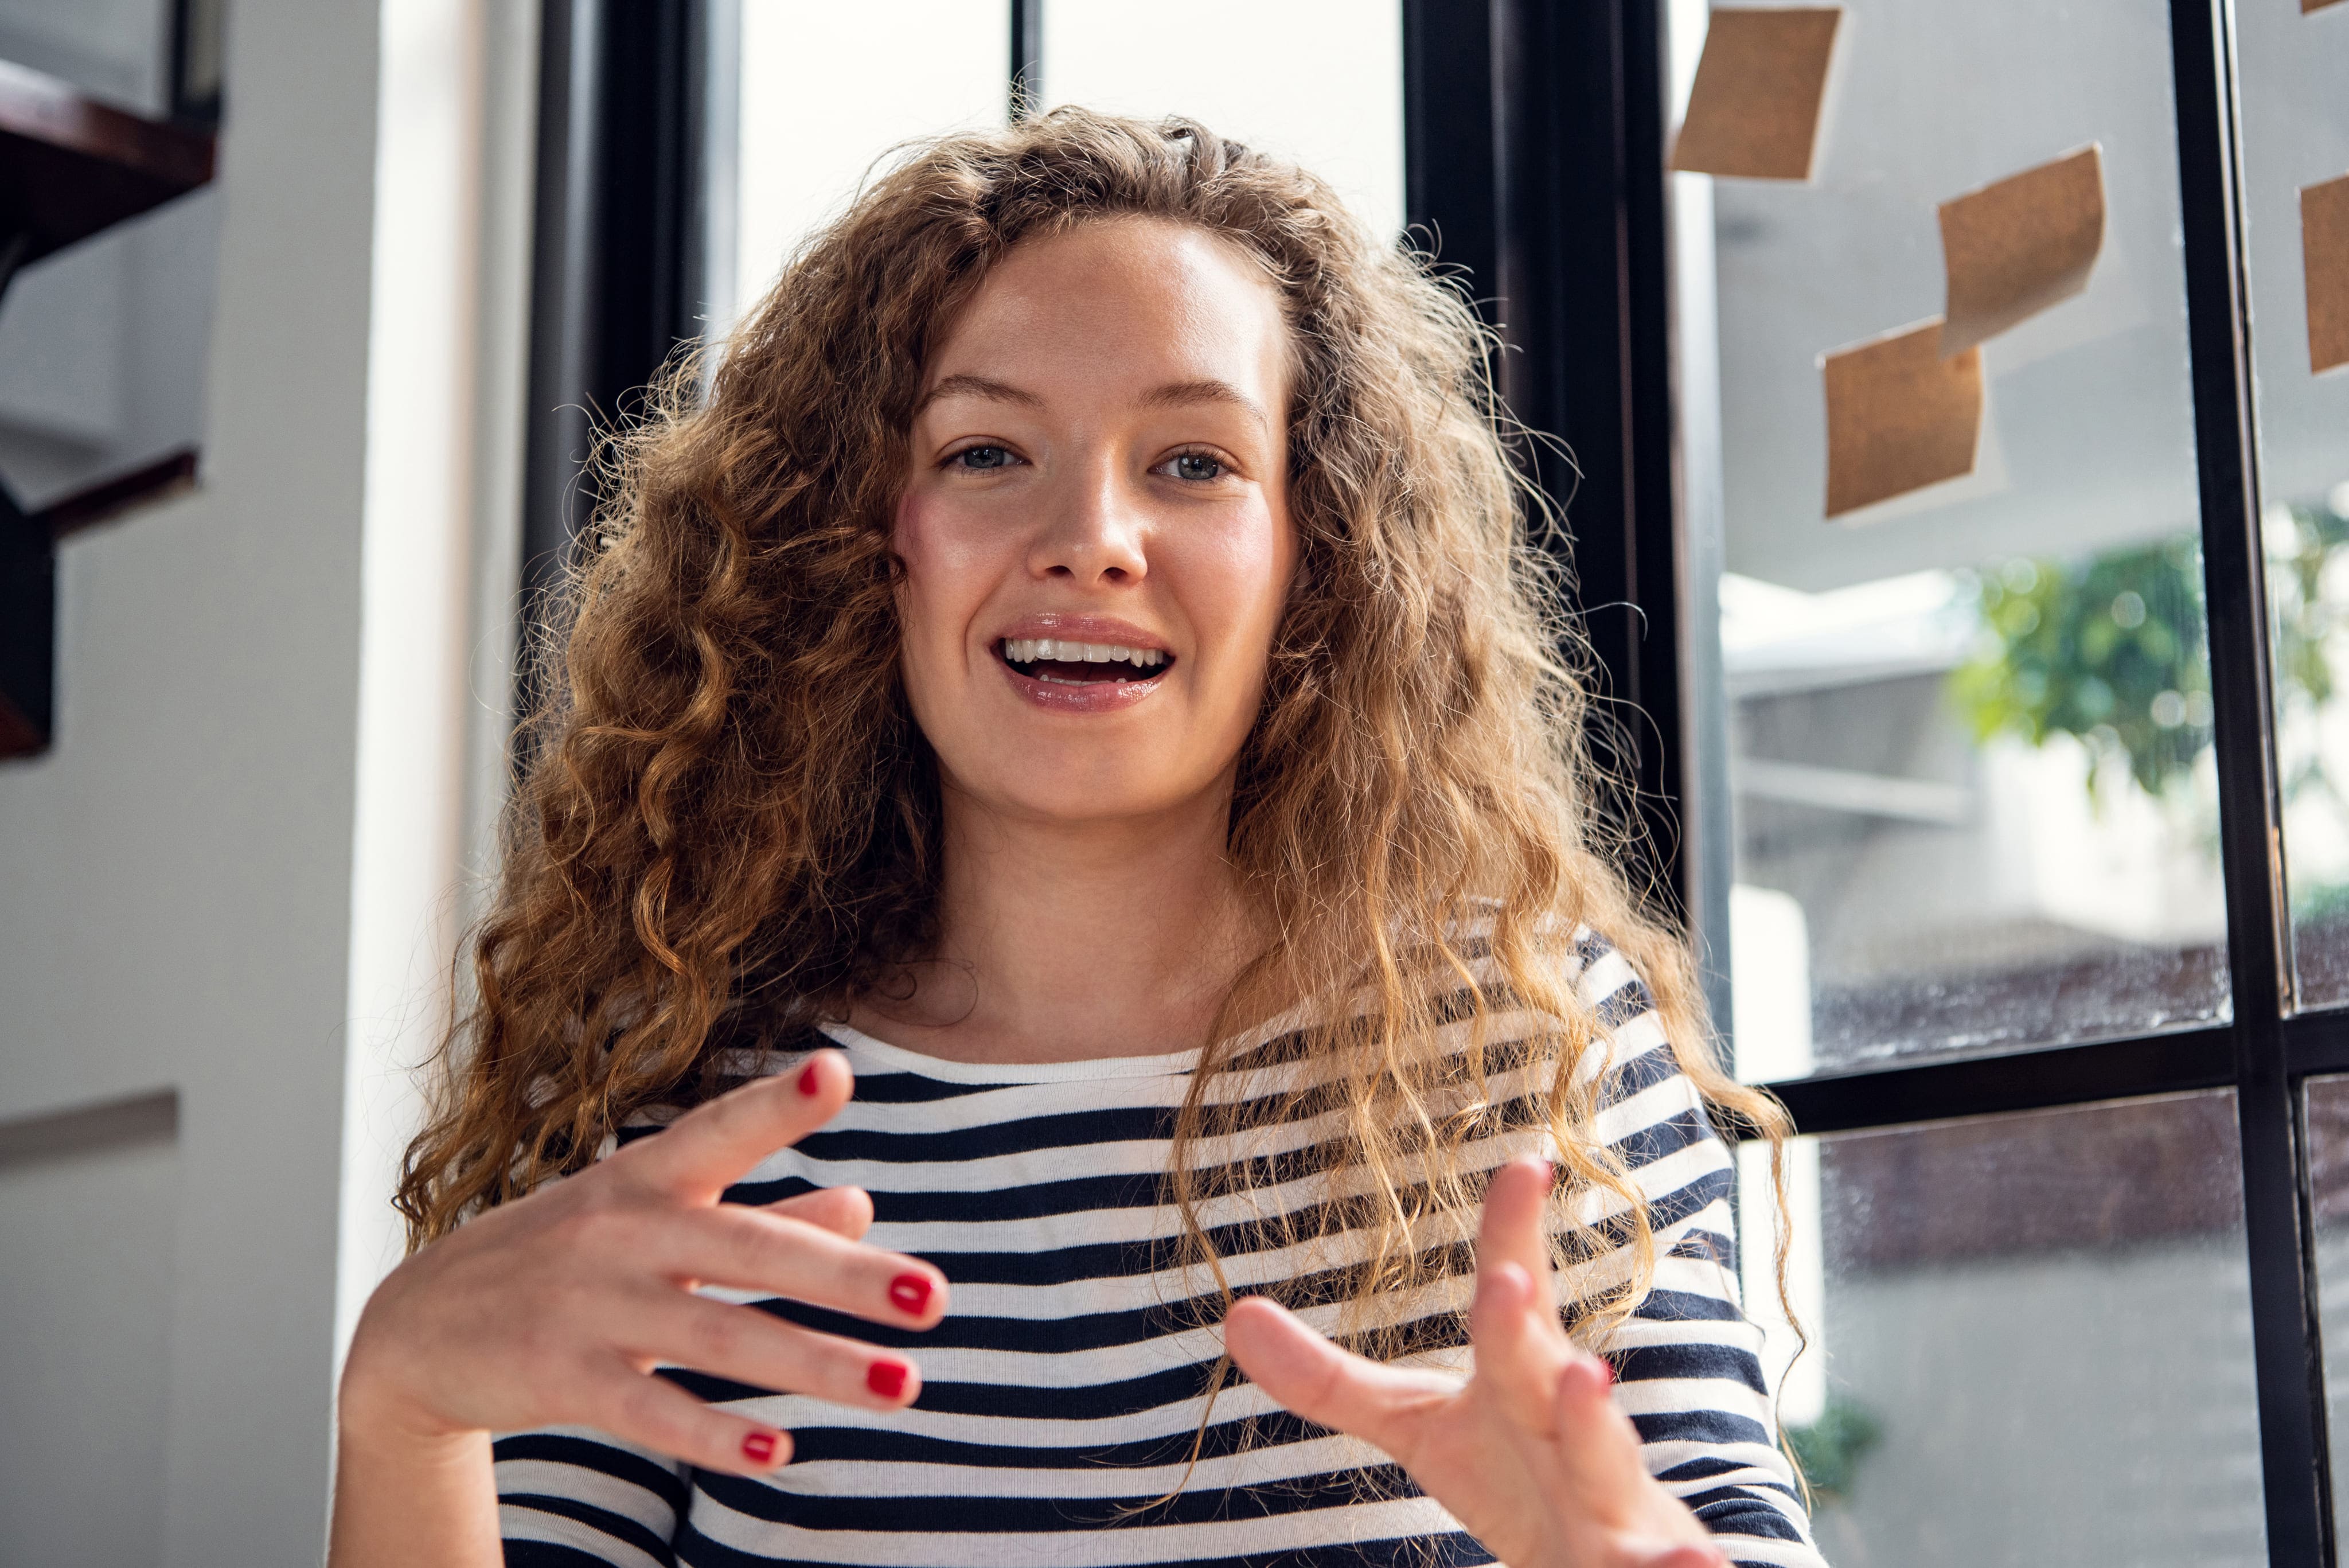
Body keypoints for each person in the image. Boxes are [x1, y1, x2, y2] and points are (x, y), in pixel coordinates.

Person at [328, 109, 1824, 1568]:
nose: (1092, 534)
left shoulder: (1543, 1053)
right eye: (986, 453)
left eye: (1195, 464)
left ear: (1318, 556)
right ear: (863, 539)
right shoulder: (683, 1125)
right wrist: (401, 1414)